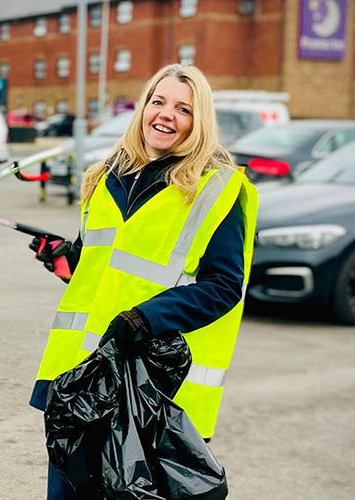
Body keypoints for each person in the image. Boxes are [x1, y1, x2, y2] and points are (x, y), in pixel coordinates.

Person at [28, 64, 258, 498]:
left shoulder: (217, 188)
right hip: (80, 381)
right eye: (158, 101)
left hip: (153, 391)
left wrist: (145, 318)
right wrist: (67, 261)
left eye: (183, 109)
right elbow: (108, 268)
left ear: (199, 120)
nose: (166, 114)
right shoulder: (104, 176)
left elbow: (224, 286)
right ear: (143, 108)